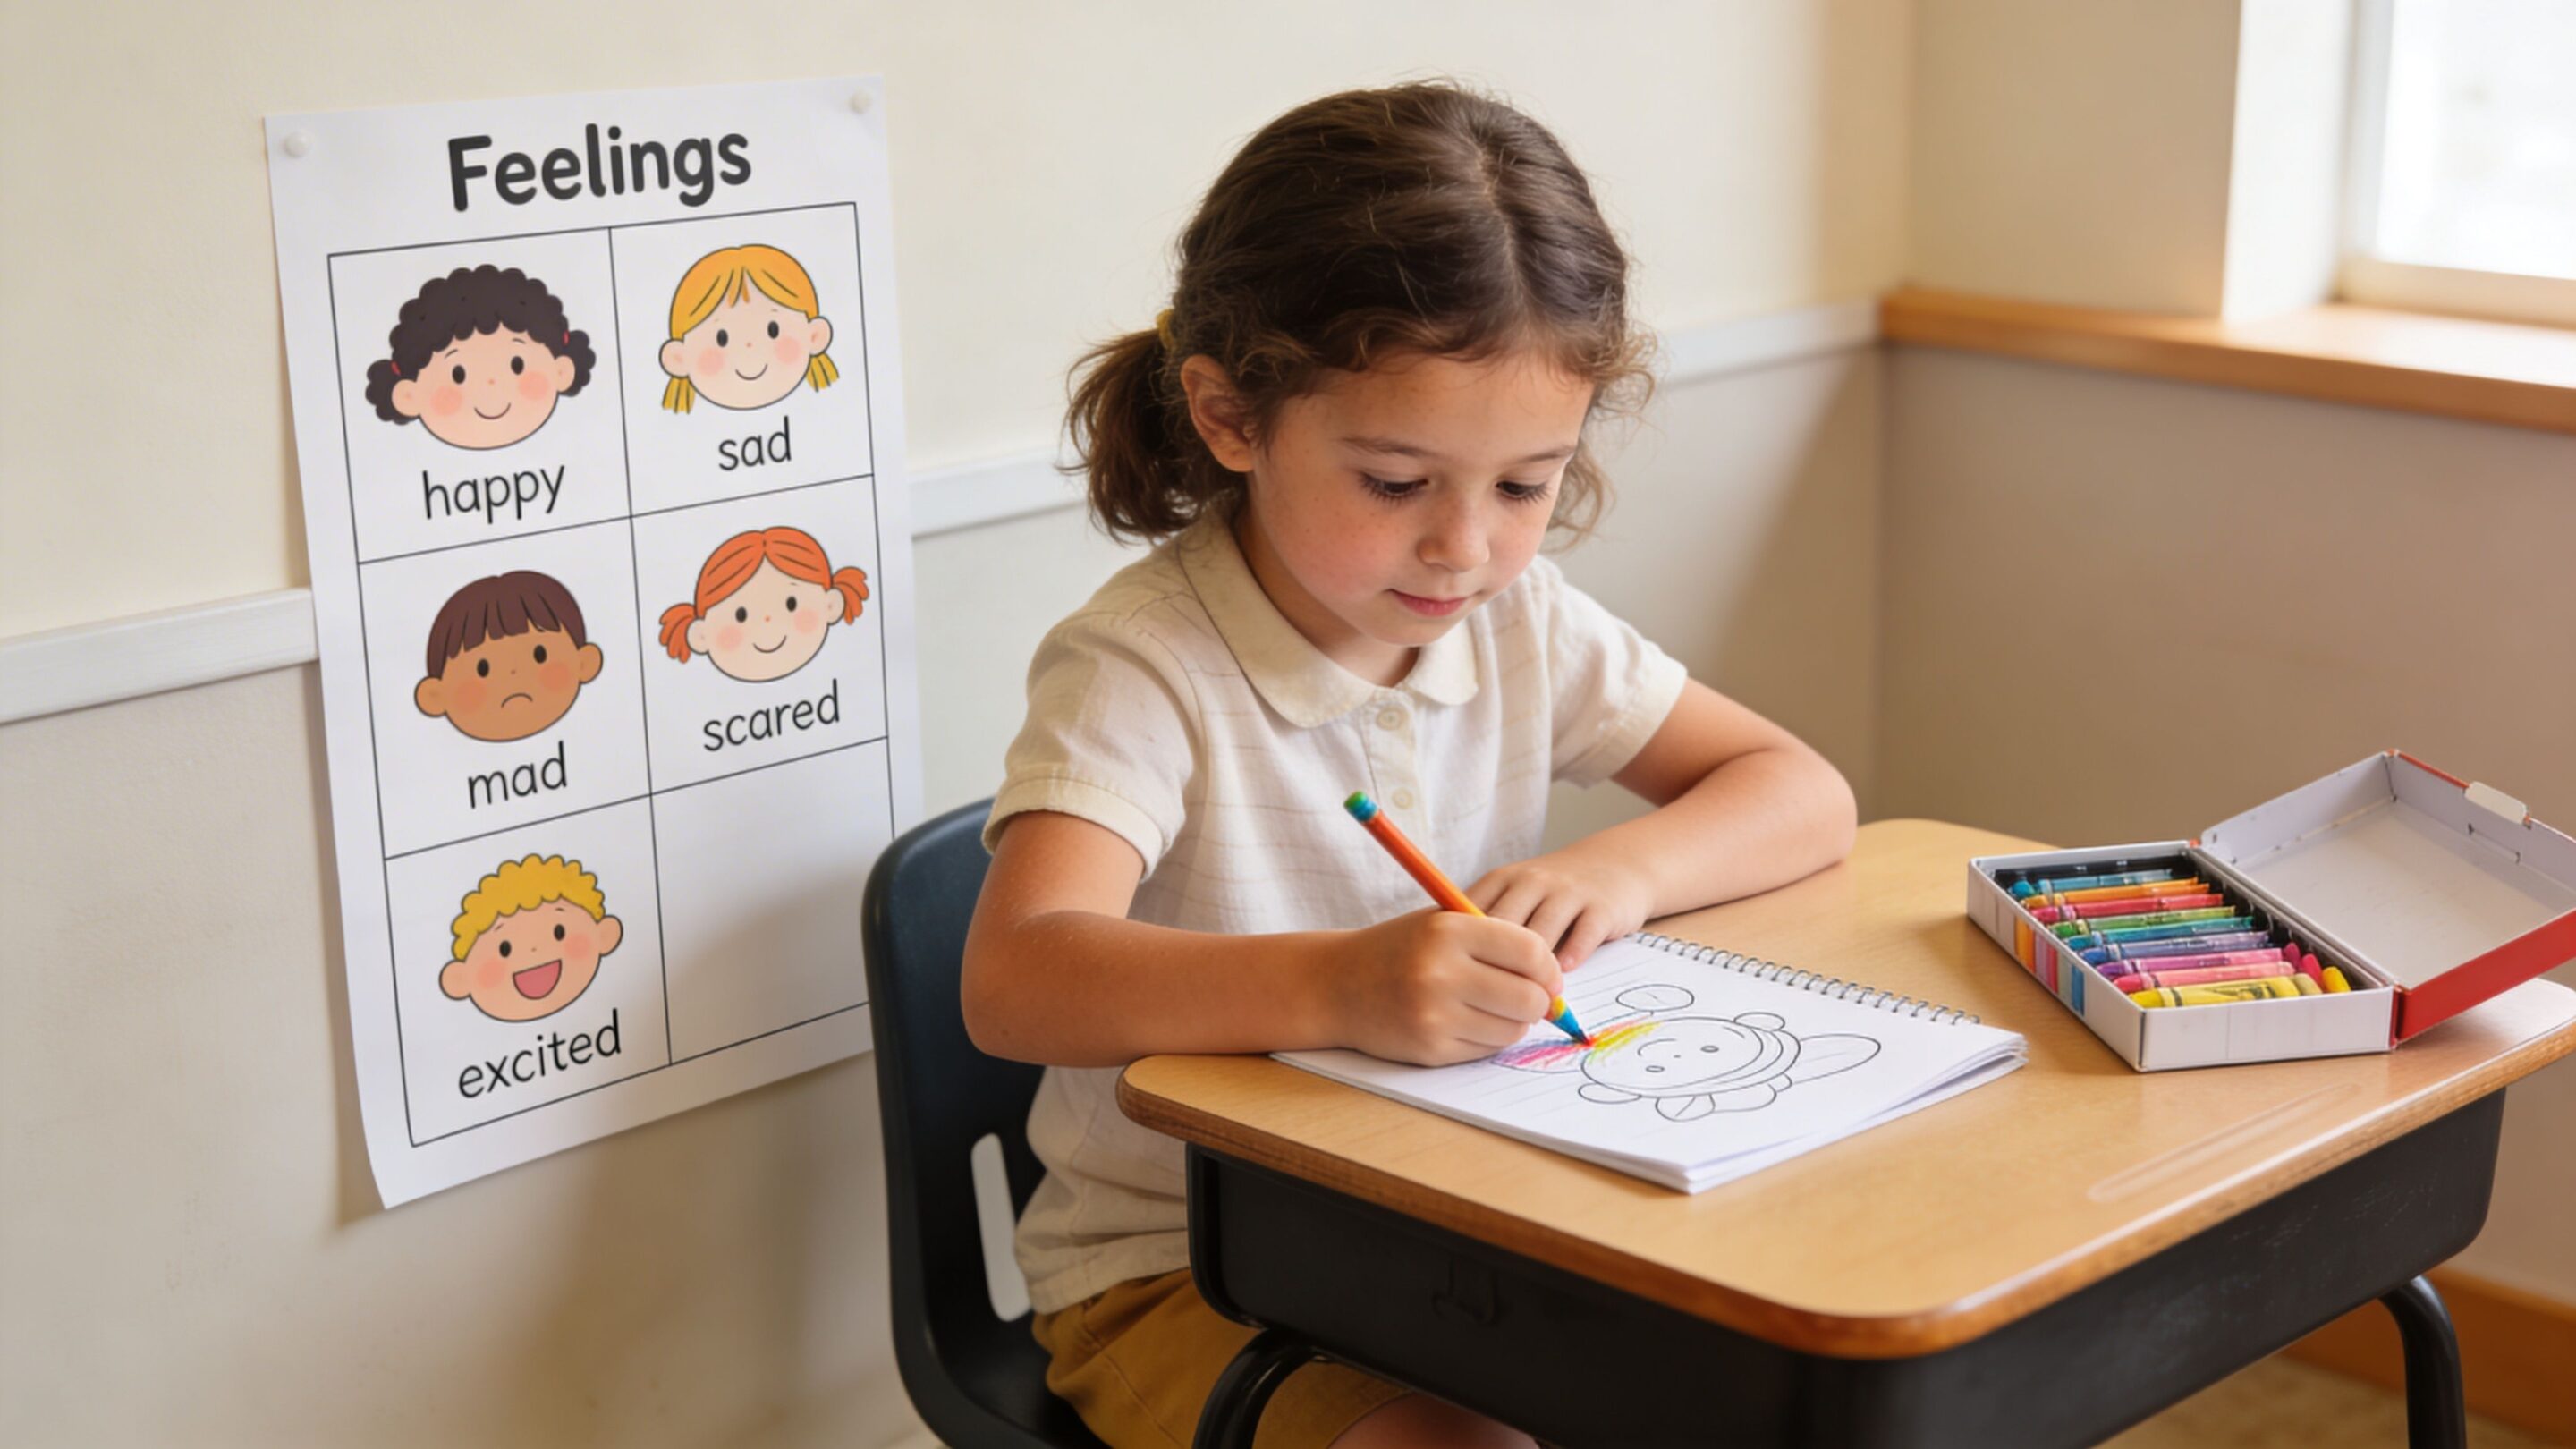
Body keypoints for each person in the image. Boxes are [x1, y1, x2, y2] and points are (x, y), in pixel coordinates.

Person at [962, 81, 1857, 1449]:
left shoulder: (1521, 621)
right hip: (1186, 1274)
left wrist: (1615, 870)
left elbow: (1802, 791)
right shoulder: (1145, 664)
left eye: (1524, 485)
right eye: (1395, 484)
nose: (1465, 548)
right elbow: (1017, 978)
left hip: (1460, 1228)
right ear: (1228, 417)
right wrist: (1340, 982)